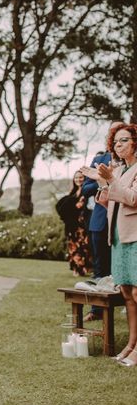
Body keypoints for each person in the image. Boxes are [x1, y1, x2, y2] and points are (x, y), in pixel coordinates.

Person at [87, 123, 137, 366]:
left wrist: (110, 181)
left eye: (124, 140)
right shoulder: (118, 170)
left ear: (135, 143)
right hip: (118, 237)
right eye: (116, 142)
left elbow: (133, 199)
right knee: (127, 292)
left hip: (135, 237)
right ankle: (130, 344)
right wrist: (102, 182)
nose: (118, 145)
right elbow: (110, 202)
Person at [80, 123, 121, 320]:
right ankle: (97, 311)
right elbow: (84, 190)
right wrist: (99, 180)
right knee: (100, 266)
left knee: (120, 264)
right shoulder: (99, 159)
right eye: (113, 134)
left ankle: (124, 303)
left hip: (123, 219)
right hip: (100, 220)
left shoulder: (130, 161)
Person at [56, 171, 93, 276]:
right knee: (74, 246)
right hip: (72, 225)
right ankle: (77, 268)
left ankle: (86, 268)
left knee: (84, 246)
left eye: (81, 177)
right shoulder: (73, 193)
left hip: (83, 224)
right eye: (76, 178)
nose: (78, 180)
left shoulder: (87, 192)